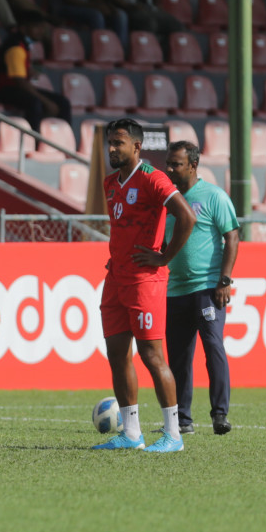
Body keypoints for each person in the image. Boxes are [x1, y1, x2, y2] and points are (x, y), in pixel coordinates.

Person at [92, 119, 197, 453]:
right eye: (110, 142)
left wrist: (164, 257)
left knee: (153, 356)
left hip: (144, 281)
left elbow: (186, 217)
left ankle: (173, 435)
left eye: (118, 143)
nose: (112, 149)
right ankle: (132, 433)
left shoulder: (153, 178)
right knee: (117, 355)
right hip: (116, 278)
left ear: (136, 146)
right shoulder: (110, 183)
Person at [163, 141, 239, 436]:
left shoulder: (213, 196)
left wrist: (224, 280)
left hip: (207, 288)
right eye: (168, 163)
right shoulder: (167, 199)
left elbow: (232, 236)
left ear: (192, 166)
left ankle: (219, 414)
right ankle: (183, 420)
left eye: (175, 164)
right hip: (174, 289)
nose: (169, 169)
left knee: (213, 347)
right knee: (178, 357)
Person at [0, 24, 72, 131]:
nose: (41, 30)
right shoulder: (15, 47)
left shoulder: (25, 44)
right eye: (36, 26)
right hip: (1, 90)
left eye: (42, 27)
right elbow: (20, 82)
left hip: (15, 88)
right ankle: (33, 141)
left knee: (63, 103)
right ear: (23, 28)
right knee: (35, 102)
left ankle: (63, 141)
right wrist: (47, 102)